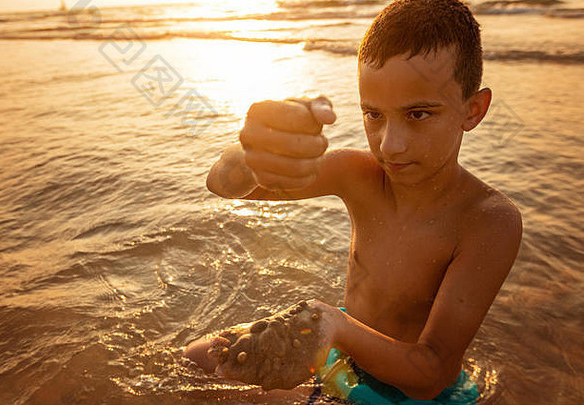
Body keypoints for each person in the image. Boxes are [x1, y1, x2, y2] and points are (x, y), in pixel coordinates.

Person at [185, 0, 522, 402]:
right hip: (346, 349)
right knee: (197, 358)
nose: (389, 145)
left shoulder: (487, 220)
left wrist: (334, 325)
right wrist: (255, 157)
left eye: (417, 114)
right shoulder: (358, 174)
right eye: (373, 115)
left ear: (473, 109)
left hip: (410, 389)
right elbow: (221, 185)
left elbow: (432, 372)